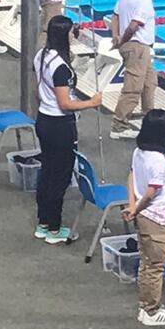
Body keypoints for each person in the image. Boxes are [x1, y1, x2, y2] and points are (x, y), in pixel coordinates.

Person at [34, 15, 103, 244]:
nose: (76, 34)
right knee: (59, 177)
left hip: (43, 118)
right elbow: (65, 104)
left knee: (47, 172)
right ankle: (54, 227)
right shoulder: (60, 68)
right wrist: (91, 103)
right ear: (65, 35)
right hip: (59, 125)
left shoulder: (41, 56)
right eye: (74, 31)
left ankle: (43, 221)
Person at [123, 110, 165, 327]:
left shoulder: (139, 152)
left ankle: (145, 306)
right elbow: (150, 193)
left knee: (146, 263)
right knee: (155, 265)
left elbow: (131, 176)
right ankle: (151, 310)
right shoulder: (157, 160)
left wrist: (132, 206)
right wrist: (135, 209)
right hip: (155, 219)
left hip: (144, 216)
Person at [110, 0, 158, 139]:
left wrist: (115, 36)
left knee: (149, 83)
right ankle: (119, 125)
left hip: (137, 47)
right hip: (137, 47)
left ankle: (149, 121)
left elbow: (115, 16)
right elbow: (133, 26)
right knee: (133, 88)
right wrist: (122, 39)